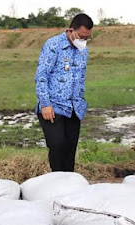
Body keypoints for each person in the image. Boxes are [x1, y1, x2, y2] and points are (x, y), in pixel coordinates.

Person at [34, 14, 93, 172]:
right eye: (81, 36)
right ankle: (57, 181)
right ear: (71, 30)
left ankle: (69, 184)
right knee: (57, 146)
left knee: (70, 149)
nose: (84, 40)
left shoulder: (83, 51)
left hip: (74, 107)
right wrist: (45, 104)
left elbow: (80, 77)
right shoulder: (53, 45)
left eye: (87, 38)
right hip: (54, 107)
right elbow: (41, 76)